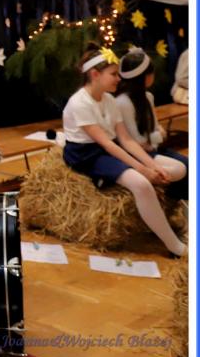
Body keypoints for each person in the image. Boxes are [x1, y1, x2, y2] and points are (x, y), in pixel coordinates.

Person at [62, 45, 186, 257]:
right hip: (87, 154)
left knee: (179, 169)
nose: (119, 79)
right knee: (141, 183)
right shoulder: (79, 103)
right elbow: (106, 144)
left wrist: (152, 166)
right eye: (113, 74)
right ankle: (174, 245)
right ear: (95, 74)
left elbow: (125, 140)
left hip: (109, 147)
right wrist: (142, 170)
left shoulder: (109, 100)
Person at [115, 47, 189, 201]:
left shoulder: (148, 96)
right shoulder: (122, 102)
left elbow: (155, 128)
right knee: (182, 168)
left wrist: (156, 135)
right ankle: (171, 201)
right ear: (144, 76)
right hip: (139, 155)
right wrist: (158, 135)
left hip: (153, 148)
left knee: (189, 164)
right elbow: (138, 142)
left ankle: (177, 204)